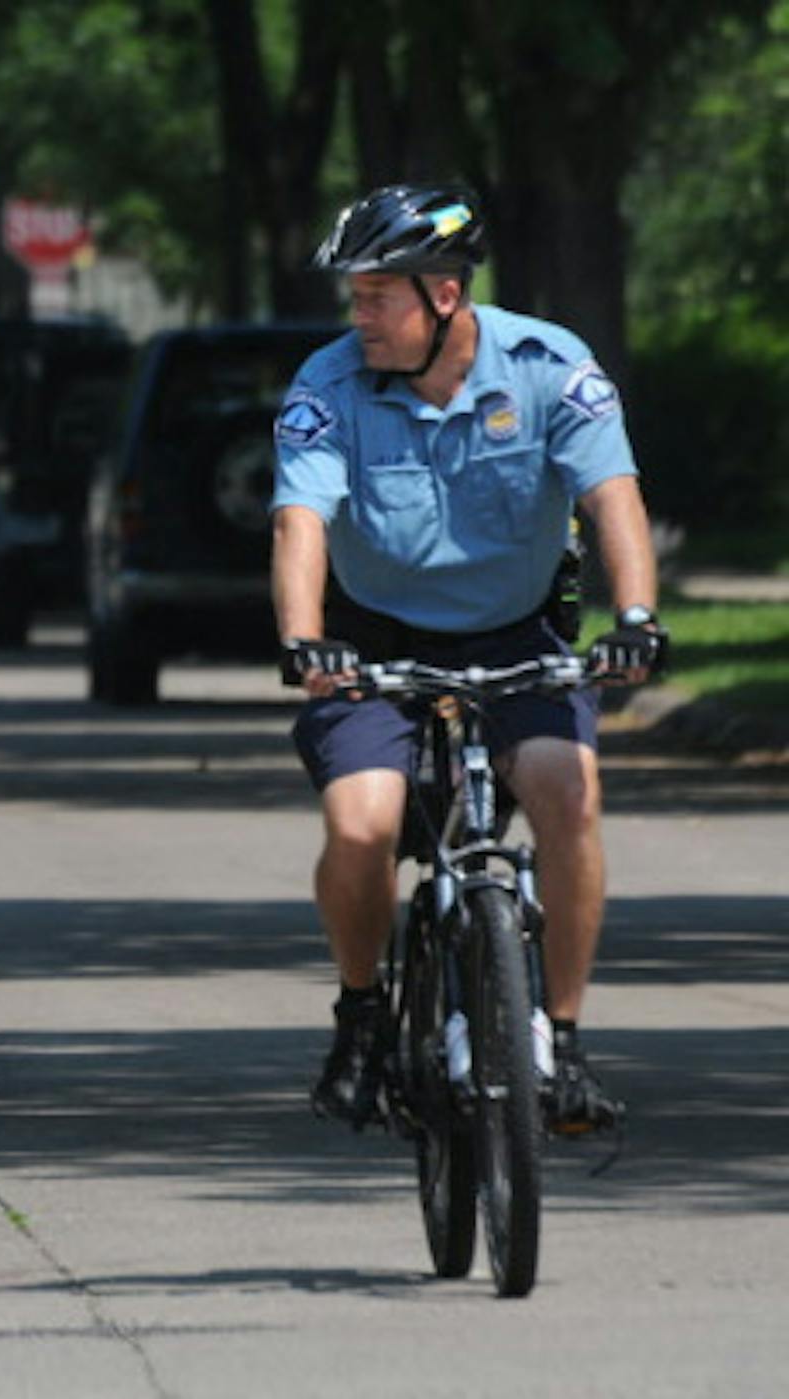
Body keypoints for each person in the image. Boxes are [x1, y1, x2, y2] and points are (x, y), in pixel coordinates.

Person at [270, 183, 668, 1135]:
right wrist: (304, 638)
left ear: (444, 295)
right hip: (372, 644)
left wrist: (637, 617)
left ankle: (562, 1041)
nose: (359, 316)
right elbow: (300, 522)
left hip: (517, 635)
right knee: (363, 825)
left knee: (567, 794)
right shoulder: (326, 386)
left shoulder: (549, 368)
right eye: (356, 296)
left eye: (378, 296)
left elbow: (612, 495)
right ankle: (362, 1017)